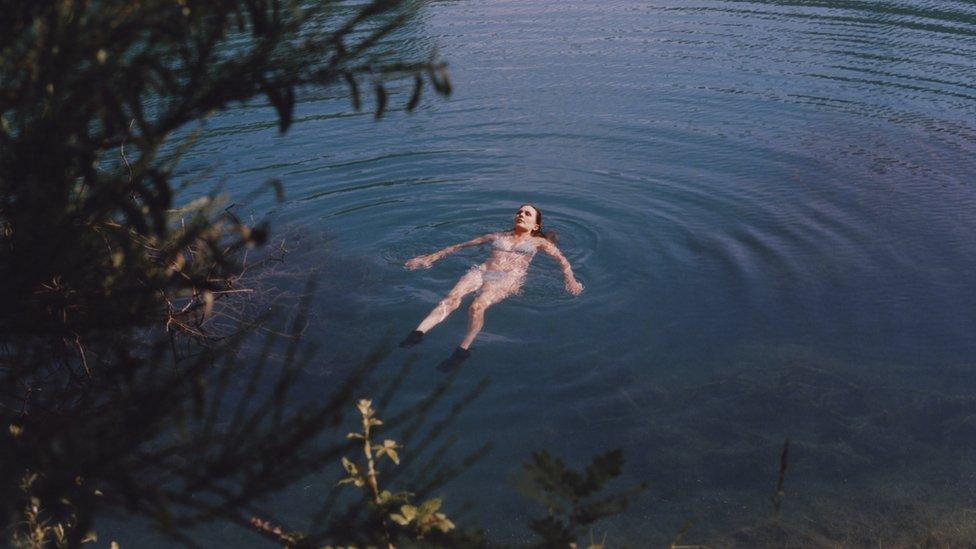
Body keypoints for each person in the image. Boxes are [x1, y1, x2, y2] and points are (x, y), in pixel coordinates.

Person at [400, 204, 584, 370]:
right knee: (450, 299)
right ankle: (418, 333)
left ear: (535, 226)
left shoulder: (539, 242)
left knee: (477, 306)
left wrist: (570, 279)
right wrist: (429, 257)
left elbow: (562, 261)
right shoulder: (497, 236)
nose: (521, 214)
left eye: (527, 213)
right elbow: (459, 246)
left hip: (508, 277)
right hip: (482, 271)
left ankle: (463, 349)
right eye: (519, 211)